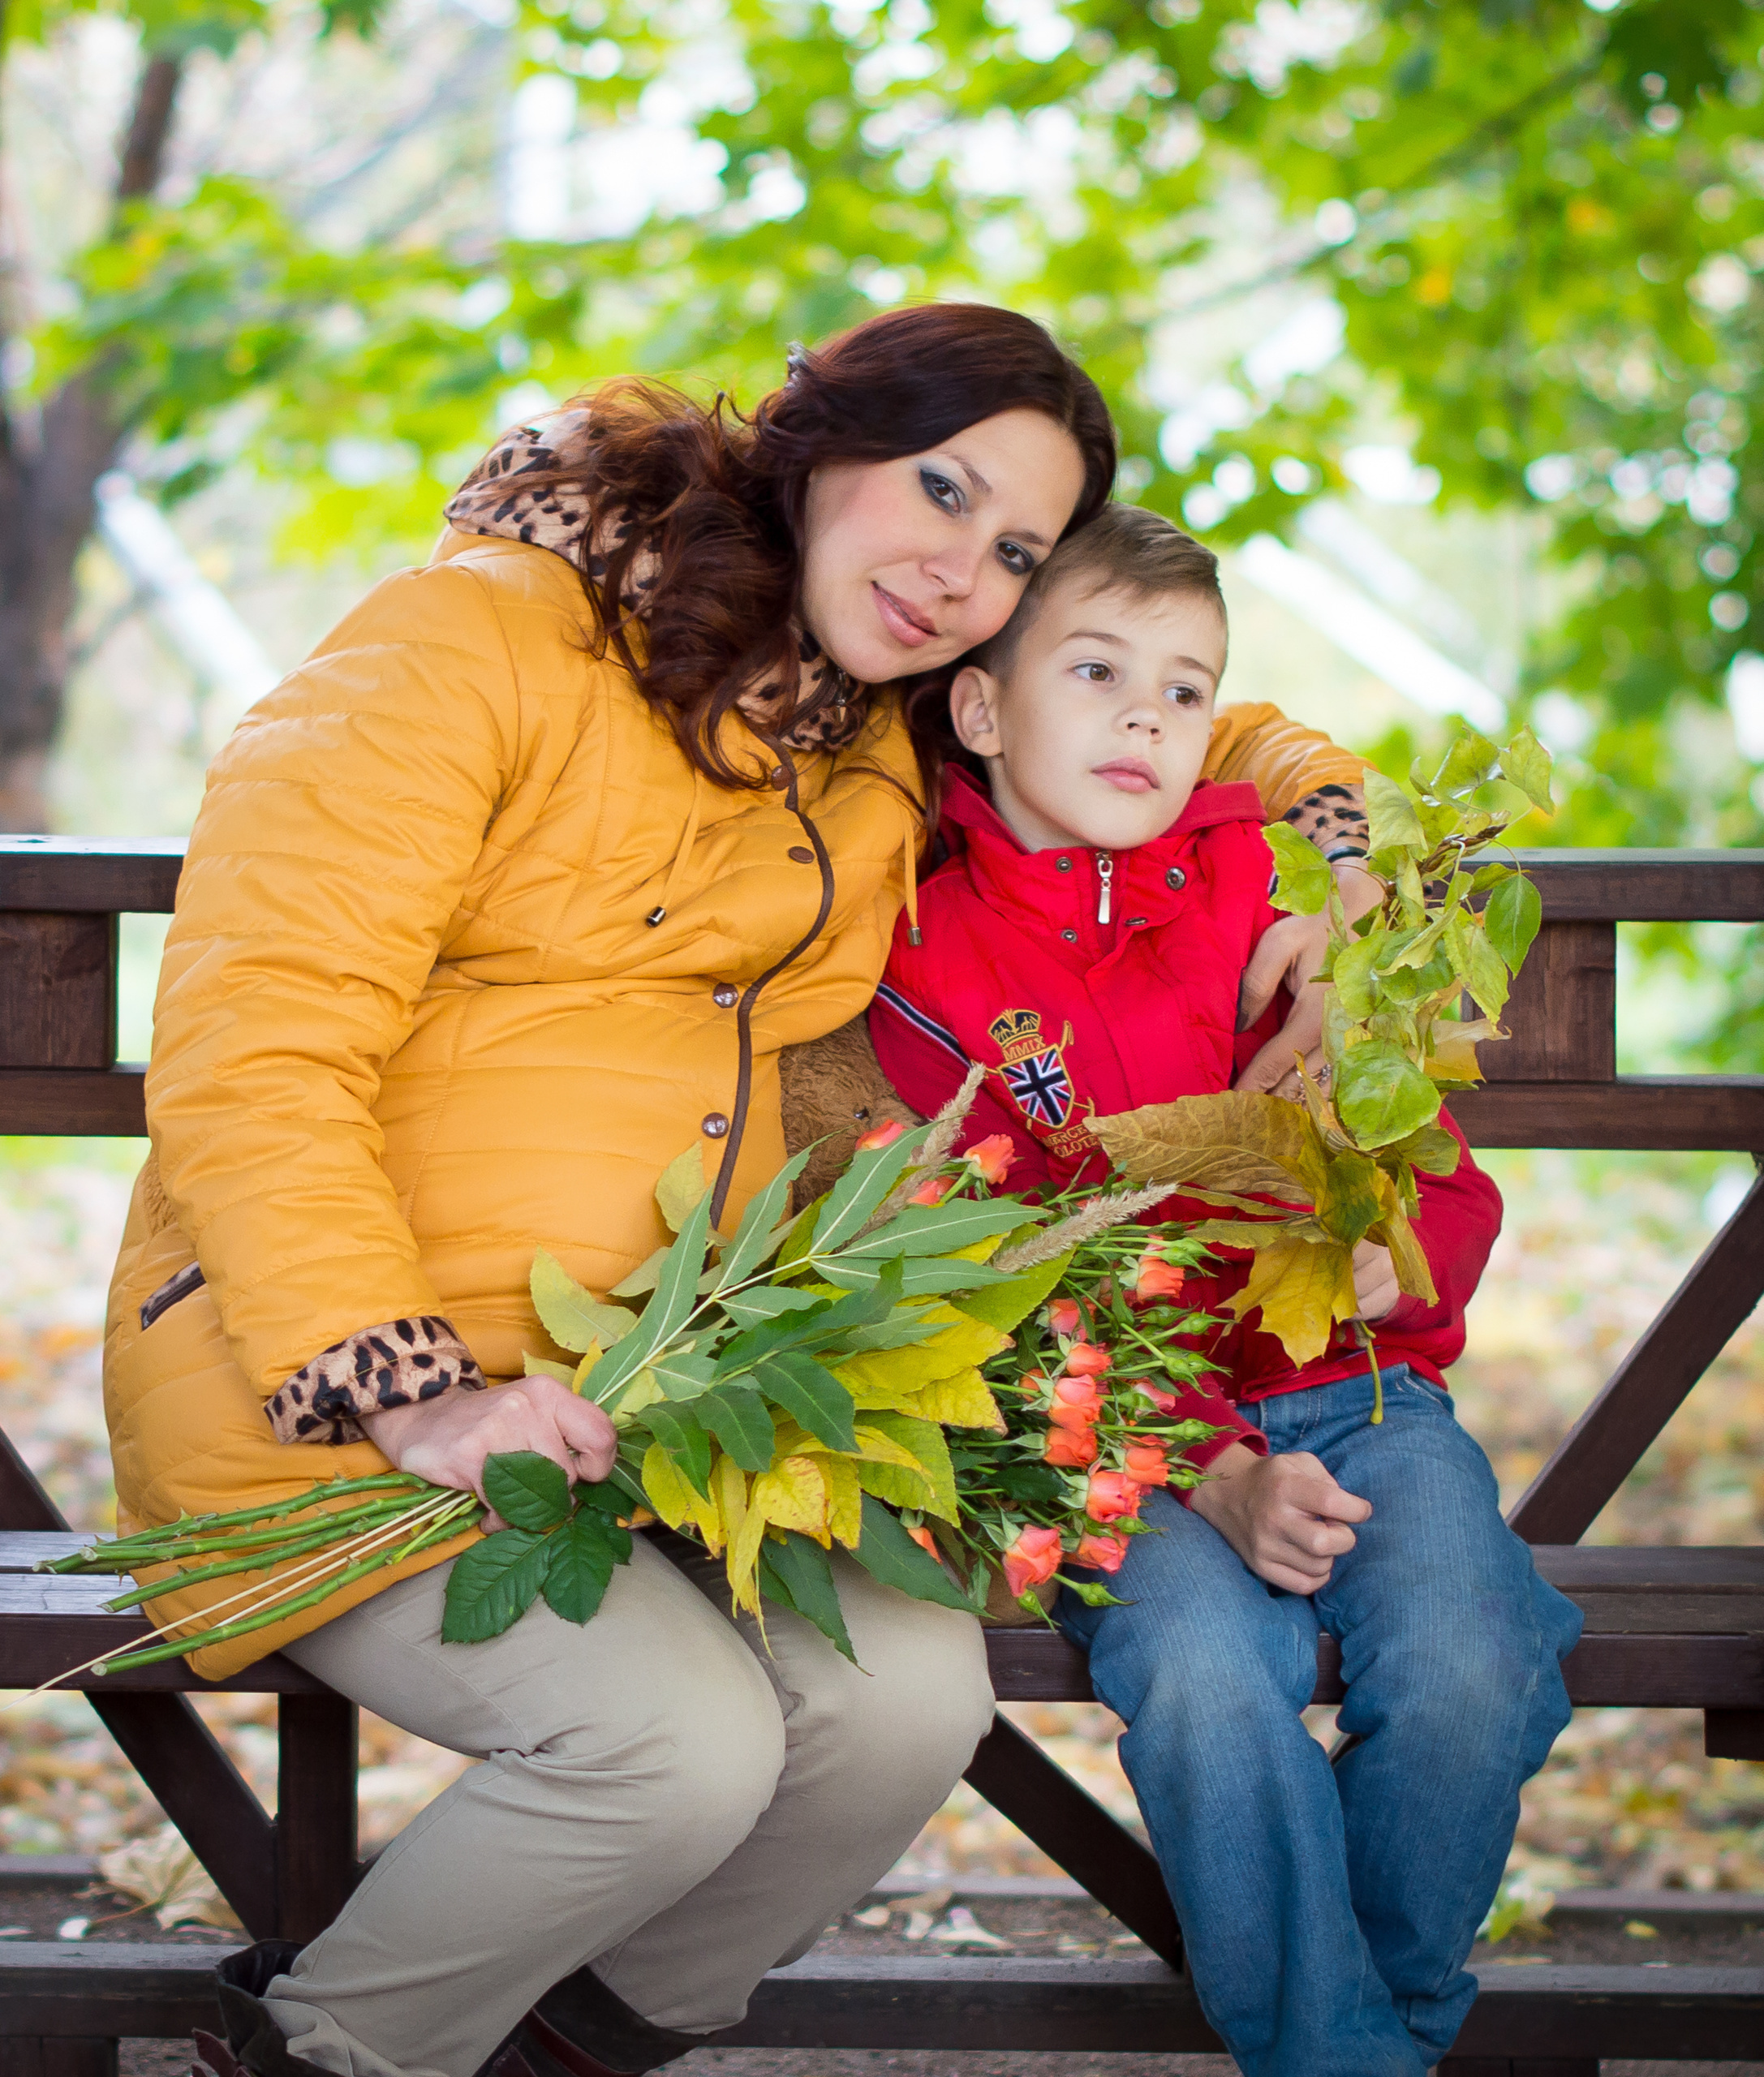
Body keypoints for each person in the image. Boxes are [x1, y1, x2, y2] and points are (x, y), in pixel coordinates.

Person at [103, 304, 1375, 2077]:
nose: (960, 569)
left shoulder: (868, 728)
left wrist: (1336, 844)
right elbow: (253, 1044)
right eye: (937, 488)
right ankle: (320, 2057)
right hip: (333, 1378)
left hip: (676, 1383)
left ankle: (560, 2048)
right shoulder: (468, 637)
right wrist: (411, 1386)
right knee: (672, 1740)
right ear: (815, 437)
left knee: (902, 1700)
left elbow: (1163, 694)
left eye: (1012, 547)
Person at [869, 502, 1582, 2077]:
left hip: (1366, 1396)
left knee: (1478, 1655)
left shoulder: (1281, 894)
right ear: (979, 705)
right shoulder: (930, 957)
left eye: (1186, 686)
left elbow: (1426, 1152)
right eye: (1099, 668)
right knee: (1205, 1676)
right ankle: (1349, 2052)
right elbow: (998, 1283)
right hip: (1120, 1442)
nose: (1146, 713)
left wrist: (1406, 1255)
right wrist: (1217, 1467)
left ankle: (1355, 2035)